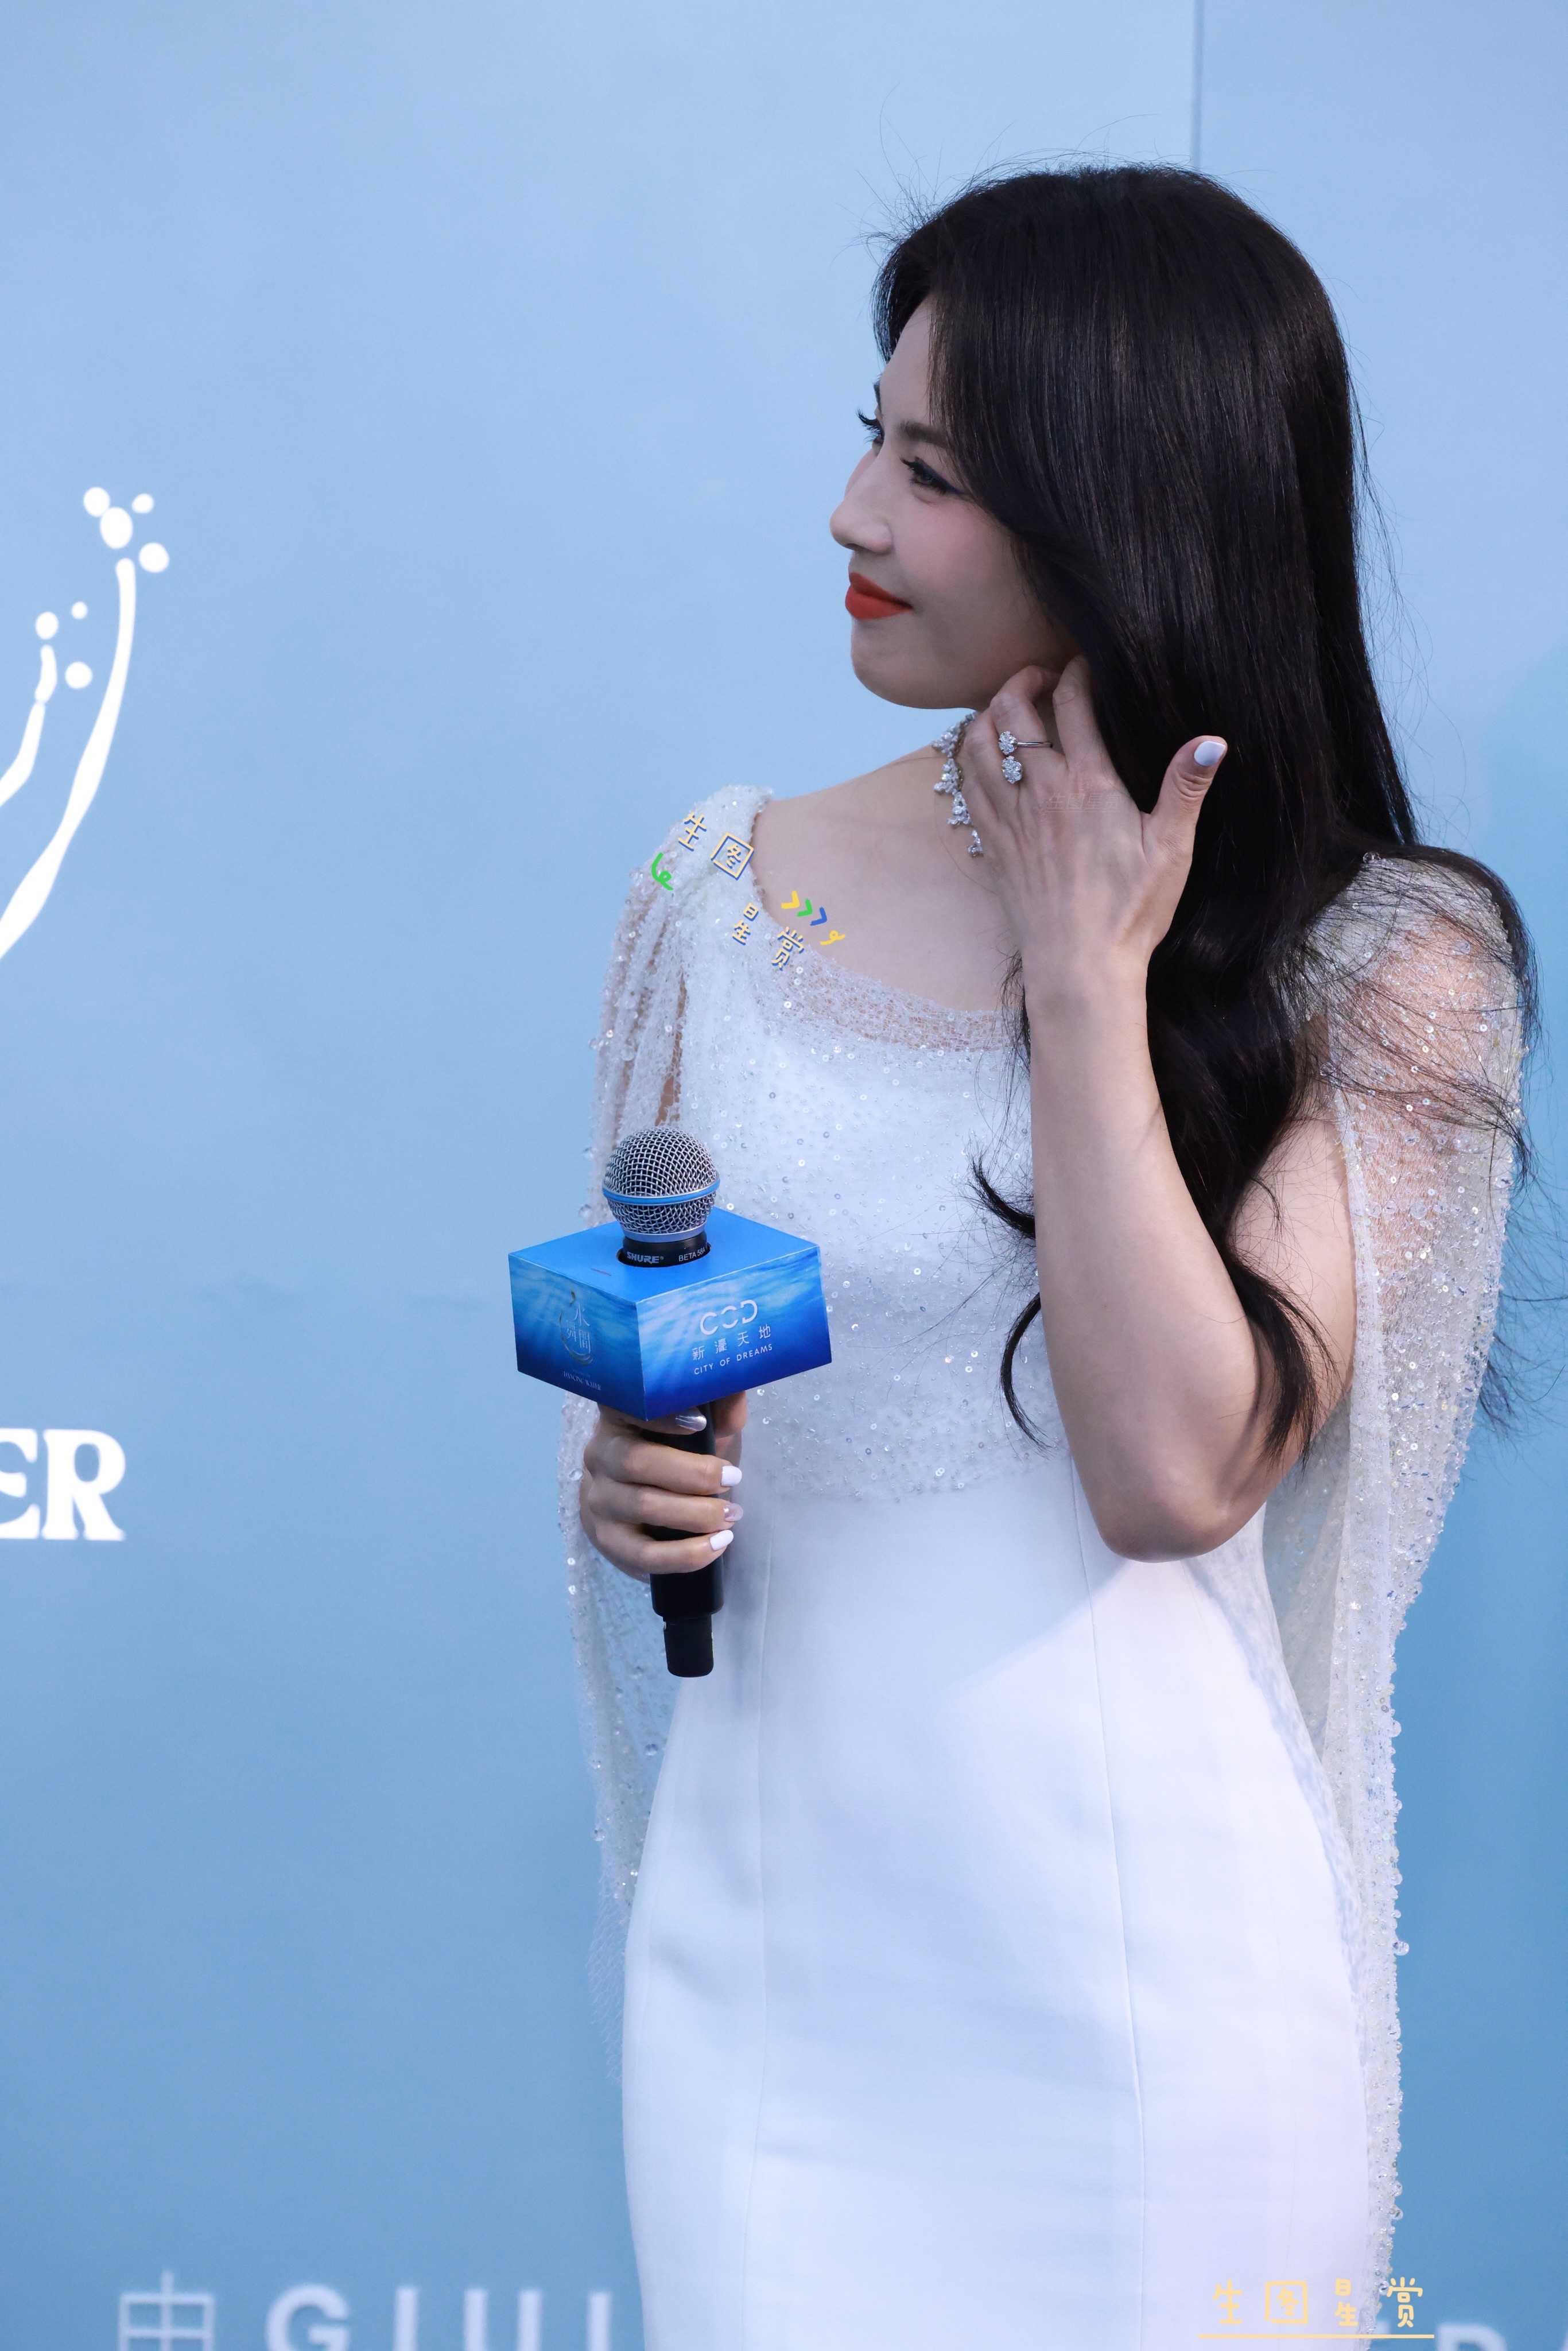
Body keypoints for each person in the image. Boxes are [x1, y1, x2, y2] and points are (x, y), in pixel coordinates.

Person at [560, 165, 1529, 2350]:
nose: (849, 515)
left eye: (931, 475)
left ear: (1123, 506)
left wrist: (1085, 975)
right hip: (771, 1952)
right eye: (870, 441)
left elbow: (1171, 1478)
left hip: (1139, 1986)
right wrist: (633, 1484)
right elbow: (666, 1356)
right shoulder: (726, 884)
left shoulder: (1390, 953)